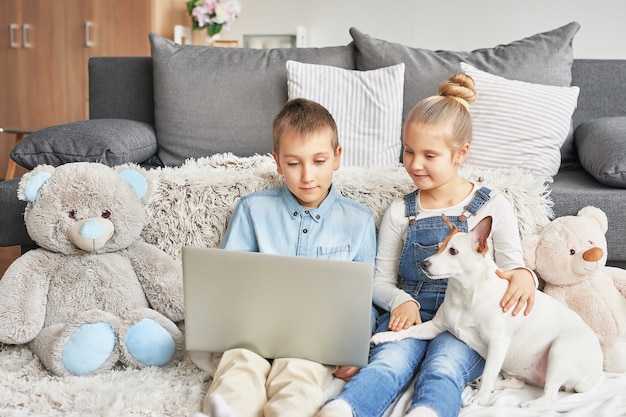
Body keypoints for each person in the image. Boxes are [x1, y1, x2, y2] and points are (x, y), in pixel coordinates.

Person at [316, 72, 537, 417]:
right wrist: (402, 300)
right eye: (408, 151)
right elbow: (379, 281)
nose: (415, 164)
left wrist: (525, 275)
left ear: (460, 153)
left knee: (444, 369)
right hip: (411, 314)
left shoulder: (492, 205)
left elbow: (512, 267)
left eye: (429, 155)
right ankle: (344, 408)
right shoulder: (400, 212)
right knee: (387, 363)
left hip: (469, 323)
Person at [201, 97, 377, 417]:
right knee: (239, 365)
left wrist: (356, 345)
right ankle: (228, 409)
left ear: (337, 158)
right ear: (278, 162)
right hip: (251, 336)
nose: (307, 176)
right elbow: (226, 284)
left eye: (319, 161)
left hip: (314, 344)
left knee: (299, 375)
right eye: (294, 163)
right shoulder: (253, 209)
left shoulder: (360, 221)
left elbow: (366, 300)